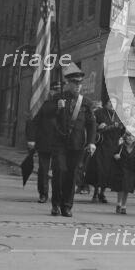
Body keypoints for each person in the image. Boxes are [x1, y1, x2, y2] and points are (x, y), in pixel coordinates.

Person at [49, 64, 96, 217]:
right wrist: (57, 109)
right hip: (59, 143)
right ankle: (55, 204)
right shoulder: (57, 98)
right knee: (59, 173)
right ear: (68, 83)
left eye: (79, 83)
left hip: (76, 144)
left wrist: (91, 142)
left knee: (71, 175)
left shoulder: (86, 103)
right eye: (74, 83)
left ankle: (67, 206)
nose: (77, 86)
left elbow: (91, 124)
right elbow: (47, 120)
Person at [27, 80, 62, 203]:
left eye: (57, 90)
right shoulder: (46, 105)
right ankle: (43, 193)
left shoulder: (68, 105)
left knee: (60, 170)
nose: (55, 93)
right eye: (53, 90)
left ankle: (58, 194)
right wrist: (31, 139)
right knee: (43, 170)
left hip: (61, 144)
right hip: (45, 142)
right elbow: (34, 122)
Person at [91, 94, 125, 204]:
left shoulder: (119, 115)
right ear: (106, 103)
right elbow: (91, 124)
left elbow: (122, 132)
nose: (112, 104)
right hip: (101, 145)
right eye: (110, 102)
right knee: (99, 169)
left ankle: (102, 193)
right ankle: (96, 192)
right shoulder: (99, 112)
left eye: (114, 102)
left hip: (113, 146)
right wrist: (98, 126)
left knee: (108, 171)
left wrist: (122, 129)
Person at [110, 131, 135, 215]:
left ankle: (124, 205)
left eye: (132, 136)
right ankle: (118, 203)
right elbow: (113, 155)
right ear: (125, 138)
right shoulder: (120, 147)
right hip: (121, 170)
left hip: (131, 172)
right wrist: (115, 157)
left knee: (127, 189)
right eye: (128, 136)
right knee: (120, 188)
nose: (130, 138)